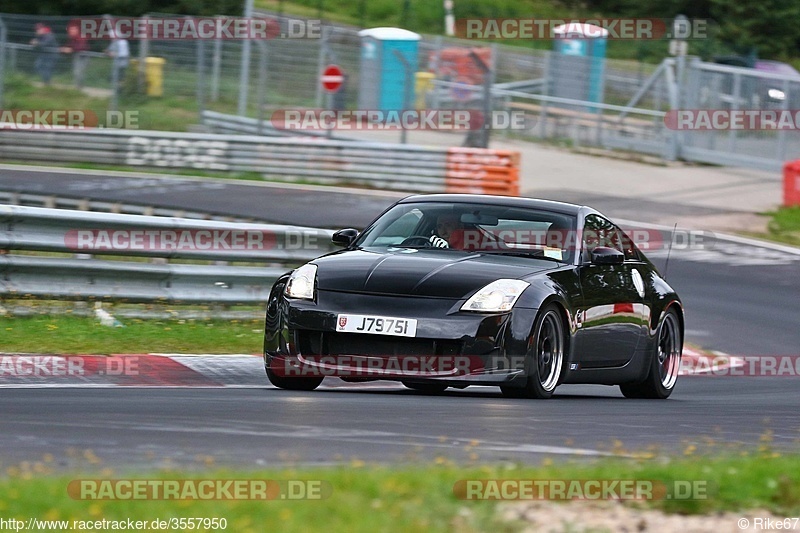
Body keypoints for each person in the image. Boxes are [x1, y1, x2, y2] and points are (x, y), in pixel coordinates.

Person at [60, 21, 90, 88]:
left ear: (77, 30)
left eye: (73, 30)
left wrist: (71, 49)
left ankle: (80, 86)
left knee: (79, 72)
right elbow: (69, 45)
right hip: (77, 56)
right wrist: (64, 48)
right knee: (76, 72)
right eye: (70, 30)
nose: (71, 31)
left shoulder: (81, 36)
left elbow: (82, 46)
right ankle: (78, 86)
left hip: (83, 57)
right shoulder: (72, 38)